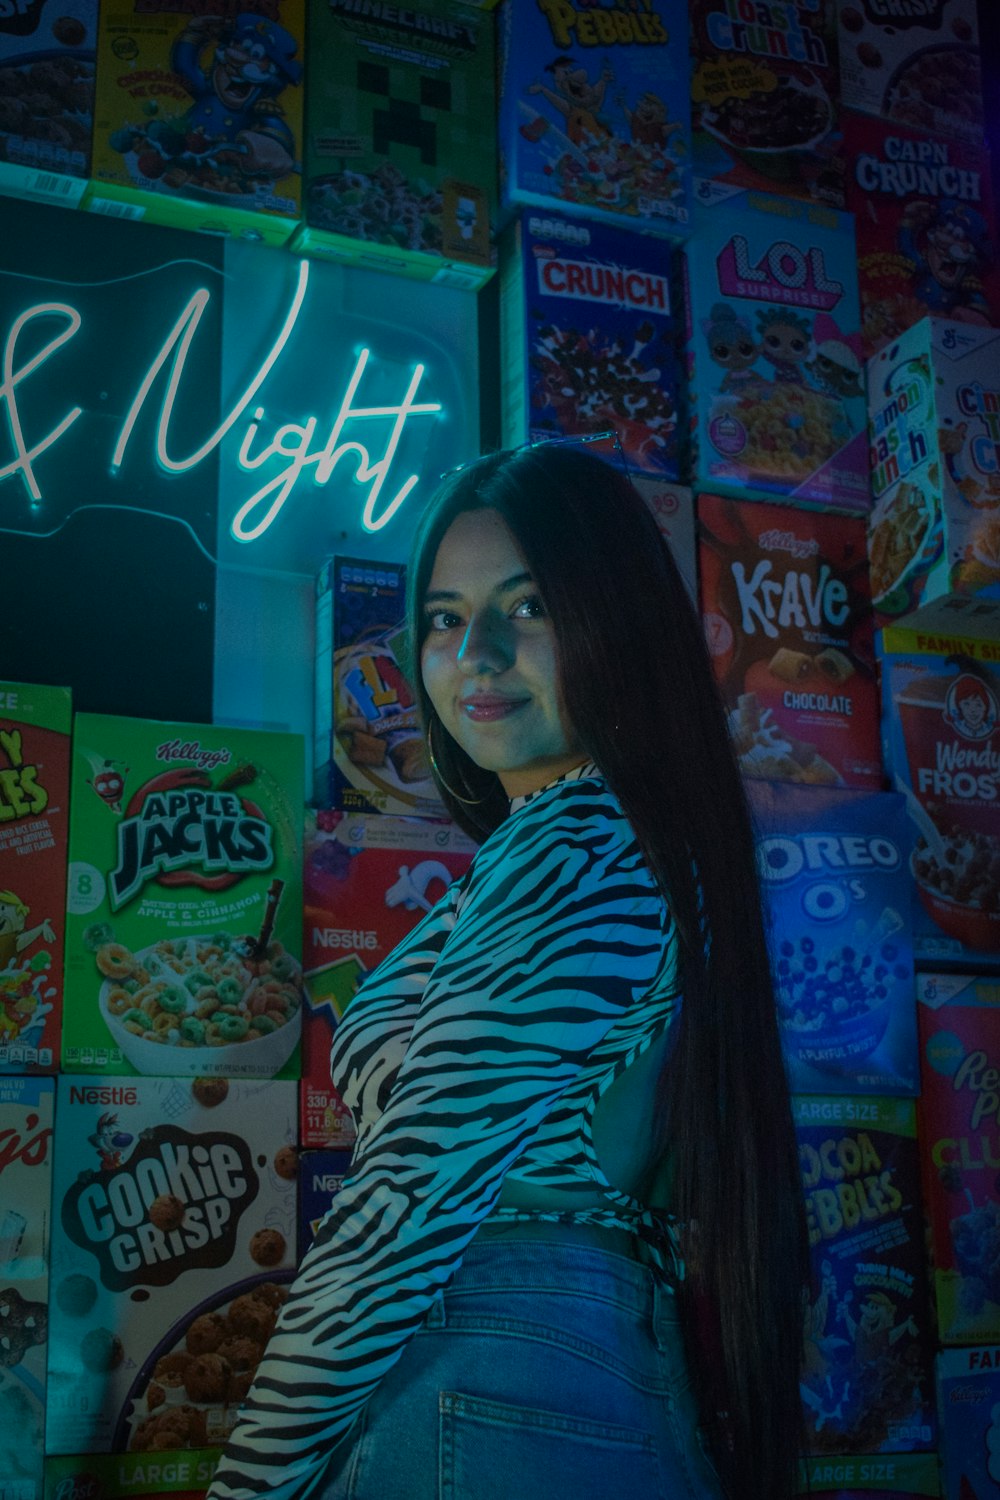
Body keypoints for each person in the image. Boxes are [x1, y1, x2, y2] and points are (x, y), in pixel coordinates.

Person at [207, 444, 808, 1500]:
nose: (473, 654)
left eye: (524, 607)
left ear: (614, 619)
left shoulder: (579, 841)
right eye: (443, 617)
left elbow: (407, 1200)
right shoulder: (604, 836)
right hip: (547, 1366)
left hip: (498, 1354)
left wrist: (247, 1487)